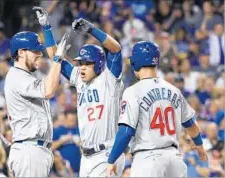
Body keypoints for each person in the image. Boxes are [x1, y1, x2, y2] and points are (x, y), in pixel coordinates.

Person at [33, 7, 125, 177]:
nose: (81, 67)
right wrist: (46, 27)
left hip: (108, 153)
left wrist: (92, 30)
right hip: (87, 156)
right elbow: (56, 57)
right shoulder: (79, 79)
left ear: (98, 64)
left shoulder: (109, 78)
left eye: (86, 63)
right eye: (80, 63)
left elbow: (116, 49)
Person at [106, 41, 208, 177]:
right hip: (174, 160)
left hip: (148, 159)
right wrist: (200, 146)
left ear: (135, 62)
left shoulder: (133, 91)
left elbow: (126, 131)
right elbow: (191, 124)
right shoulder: (174, 90)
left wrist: (112, 159)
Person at [4, 26, 70, 176]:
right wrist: (57, 59)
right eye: (35, 51)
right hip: (29, 151)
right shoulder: (16, 76)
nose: (40, 54)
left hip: (33, 150)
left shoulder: (24, 77)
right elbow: (48, 90)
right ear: (20, 53)